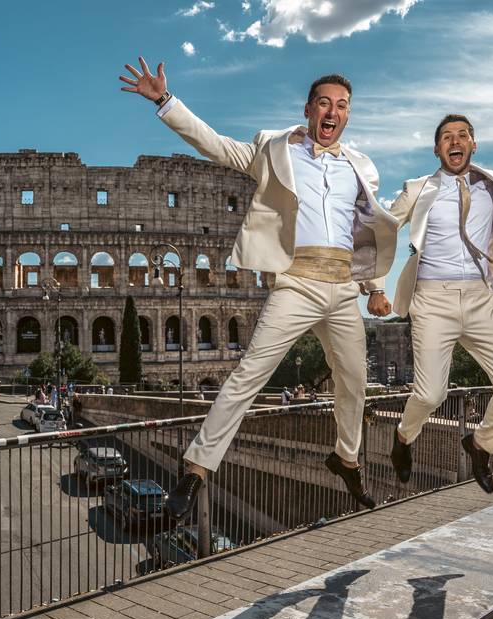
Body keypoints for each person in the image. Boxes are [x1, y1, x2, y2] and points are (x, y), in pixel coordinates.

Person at [120, 58, 398, 518]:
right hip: (297, 283)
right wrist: (166, 101)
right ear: (309, 109)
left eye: (342, 106)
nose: (333, 112)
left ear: (348, 115)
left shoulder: (360, 167)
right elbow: (216, 146)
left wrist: (375, 287)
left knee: (355, 381)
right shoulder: (274, 148)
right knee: (249, 374)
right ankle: (196, 467)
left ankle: (347, 458)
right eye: (324, 103)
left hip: (344, 286)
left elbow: (363, 229)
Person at [373, 100, 493, 494]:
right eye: (446, 137)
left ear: (473, 144)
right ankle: (404, 439)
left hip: (480, 302)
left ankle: (480, 444)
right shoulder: (417, 189)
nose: (454, 141)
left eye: (462, 135)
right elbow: (383, 228)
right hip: (432, 301)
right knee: (429, 394)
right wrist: (374, 285)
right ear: (437, 149)